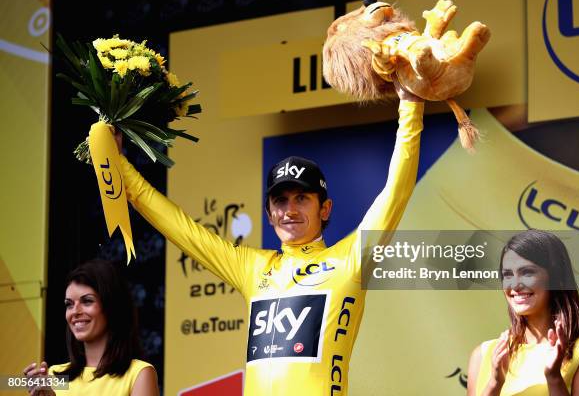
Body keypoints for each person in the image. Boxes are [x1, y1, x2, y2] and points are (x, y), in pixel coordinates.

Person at [115, 78, 423, 395]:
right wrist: (119, 165)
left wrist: (411, 104)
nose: (289, 210)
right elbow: (179, 227)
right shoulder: (253, 266)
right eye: (280, 200)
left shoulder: (350, 259)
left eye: (302, 198)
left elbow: (396, 191)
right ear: (269, 214)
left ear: (326, 208)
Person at [467, 230, 579, 396]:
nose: (515, 285)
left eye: (527, 272)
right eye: (507, 274)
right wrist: (495, 383)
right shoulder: (483, 354)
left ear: (556, 278)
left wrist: (554, 378)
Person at [23, 260, 159, 396]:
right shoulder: (53, 375)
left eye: (87, 301)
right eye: (69, 304)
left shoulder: (139, 374)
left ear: (112, 307)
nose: (75, 311)